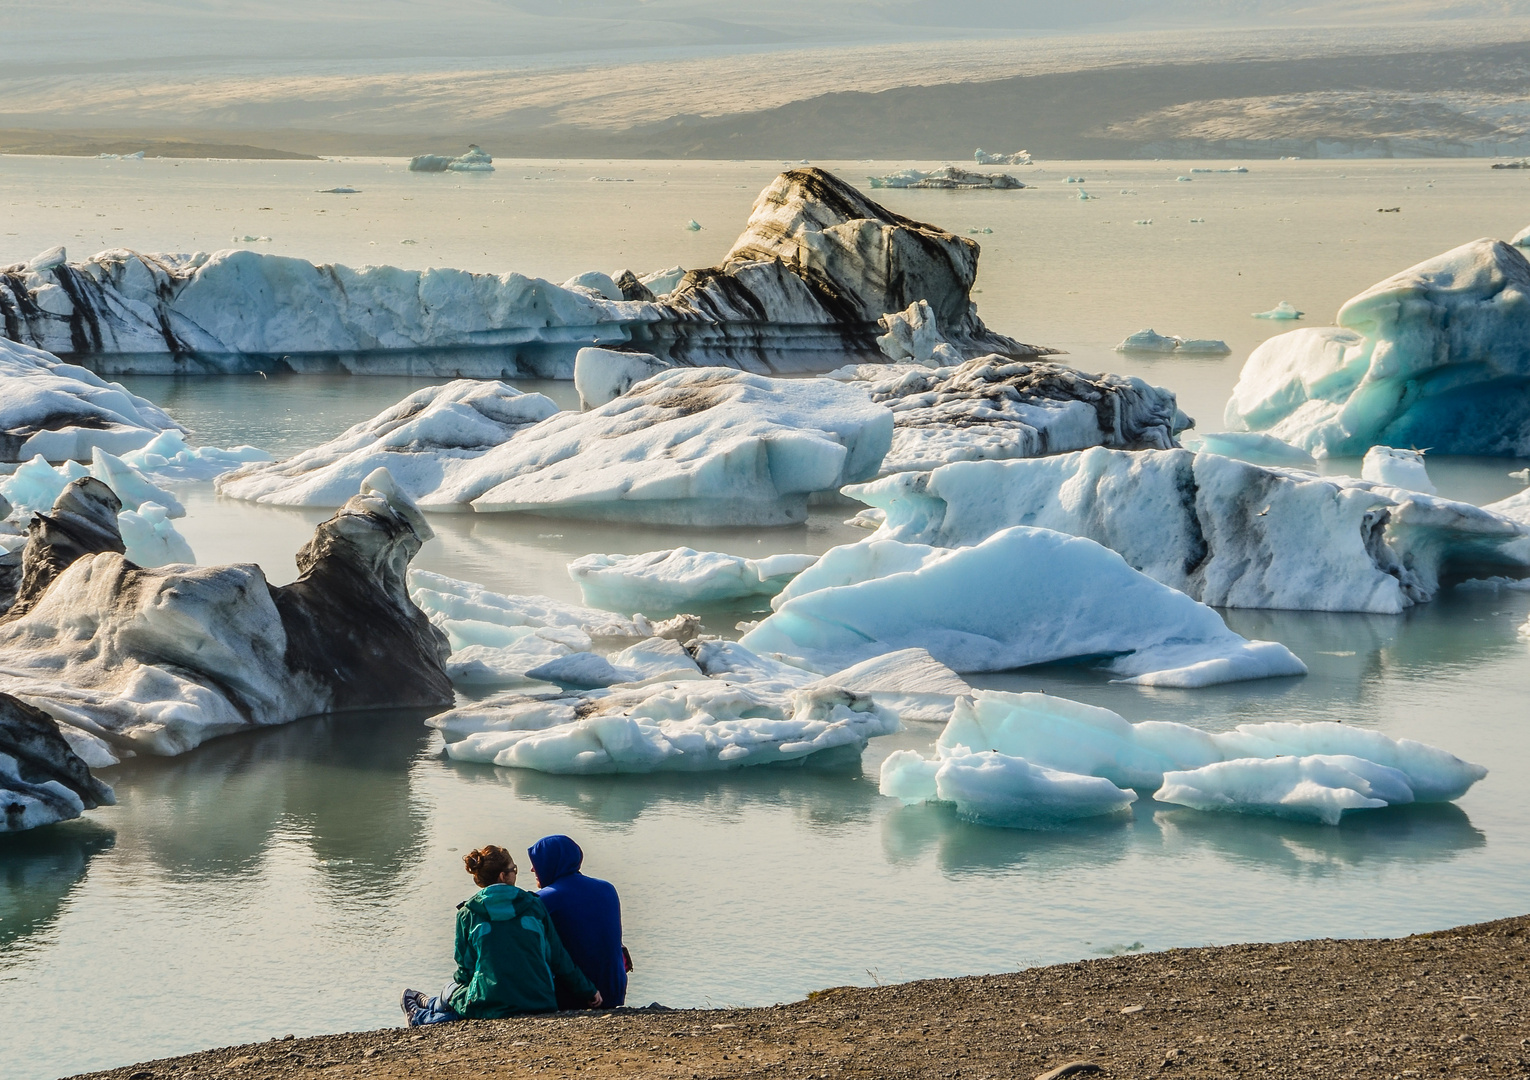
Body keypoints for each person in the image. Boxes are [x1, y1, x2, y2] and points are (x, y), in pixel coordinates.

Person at [401, 844, 601, 1026]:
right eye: (514, 870)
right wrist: (588, 990)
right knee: (458, 993)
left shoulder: (467, 914)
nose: (516, 874)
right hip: (539, 1001)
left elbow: (465, 970)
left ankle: (422, 1014)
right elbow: (558, 957)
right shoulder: (534, 905)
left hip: (490, 1003)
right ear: (503, 877)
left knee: (453, 990)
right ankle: (428, 1005)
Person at [527, 834, 628, 1010]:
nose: (532, 870)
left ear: (550, 861)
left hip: (577, 996)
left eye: (536, 862)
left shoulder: (544, 899)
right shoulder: (607, 888)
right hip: (614, 990)